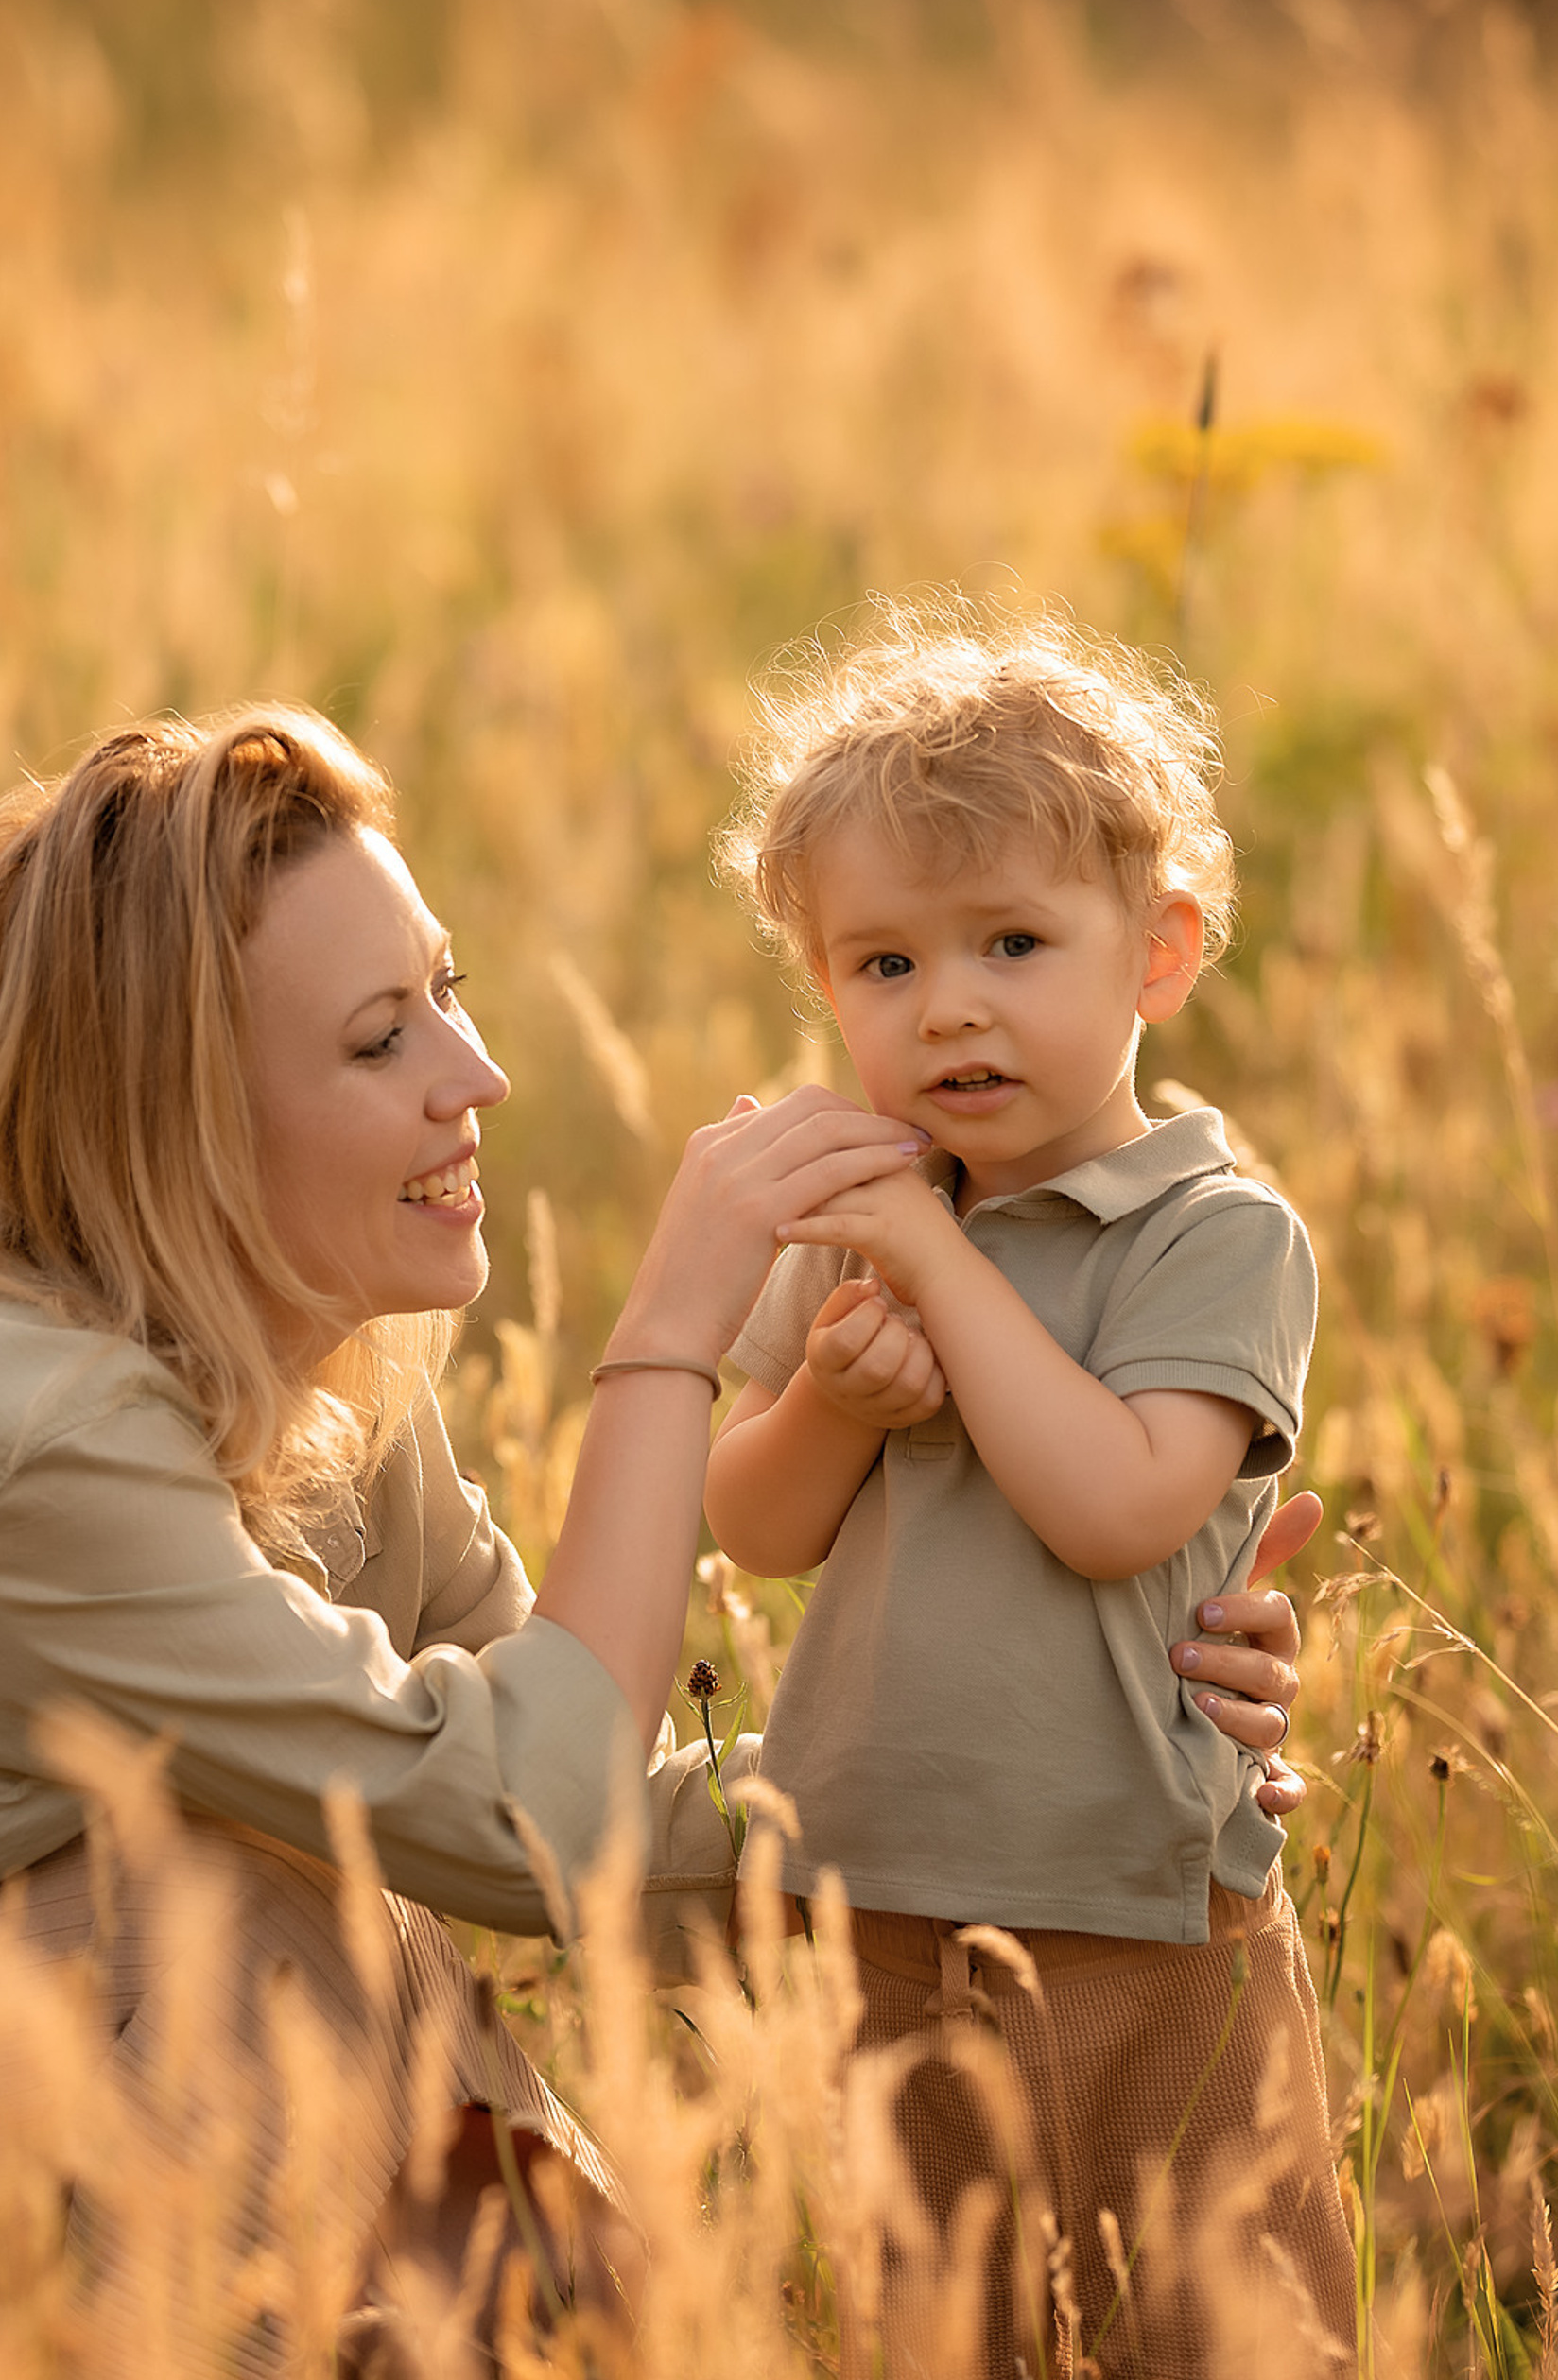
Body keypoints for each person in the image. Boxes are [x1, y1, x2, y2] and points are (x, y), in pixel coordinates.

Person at [0, 705, 1310, 2356]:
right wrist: (666, 1341)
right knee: (243, 1907)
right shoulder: (12, 1423)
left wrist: (1072, 1737)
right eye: (381, 1036)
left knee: (278, 1874)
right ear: (186, 1118)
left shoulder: (307, 1371)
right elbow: (518, 1826)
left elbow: (586, 1771)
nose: (473, 1078)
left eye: (448, 996)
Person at [702, 607, 1352, 2373]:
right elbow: (755, 1530)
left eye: (1011, 940)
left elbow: (1121, 1502)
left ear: (1158, 952)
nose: (951, 1005)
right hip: (882, 1895)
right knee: (944, 2331)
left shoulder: (1213, 1235)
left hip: (1136, 1914)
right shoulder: (861, 1205)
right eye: (884, 965)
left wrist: (932, 1252)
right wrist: (834, 1401)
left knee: (1213, 2327)